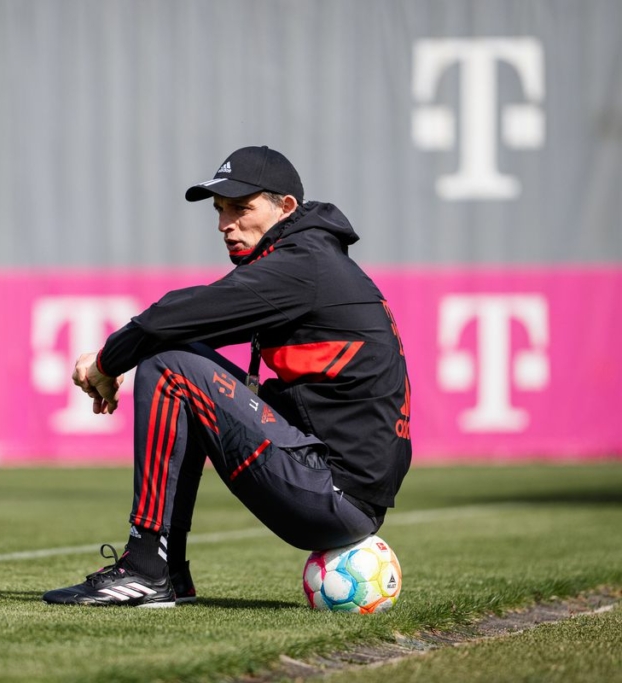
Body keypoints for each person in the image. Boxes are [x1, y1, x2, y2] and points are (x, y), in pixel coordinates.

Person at [42, 146, 411, 607]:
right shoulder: (310, 258)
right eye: (219, 210)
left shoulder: (302, 266)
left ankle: (145, 569)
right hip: (340, 491)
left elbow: (169, 319)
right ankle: (165, 571)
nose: (225, 224)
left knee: (169, 362)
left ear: (286, 208)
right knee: (175, 356)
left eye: (241, 208)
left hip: (331, 495)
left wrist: (106, 362)